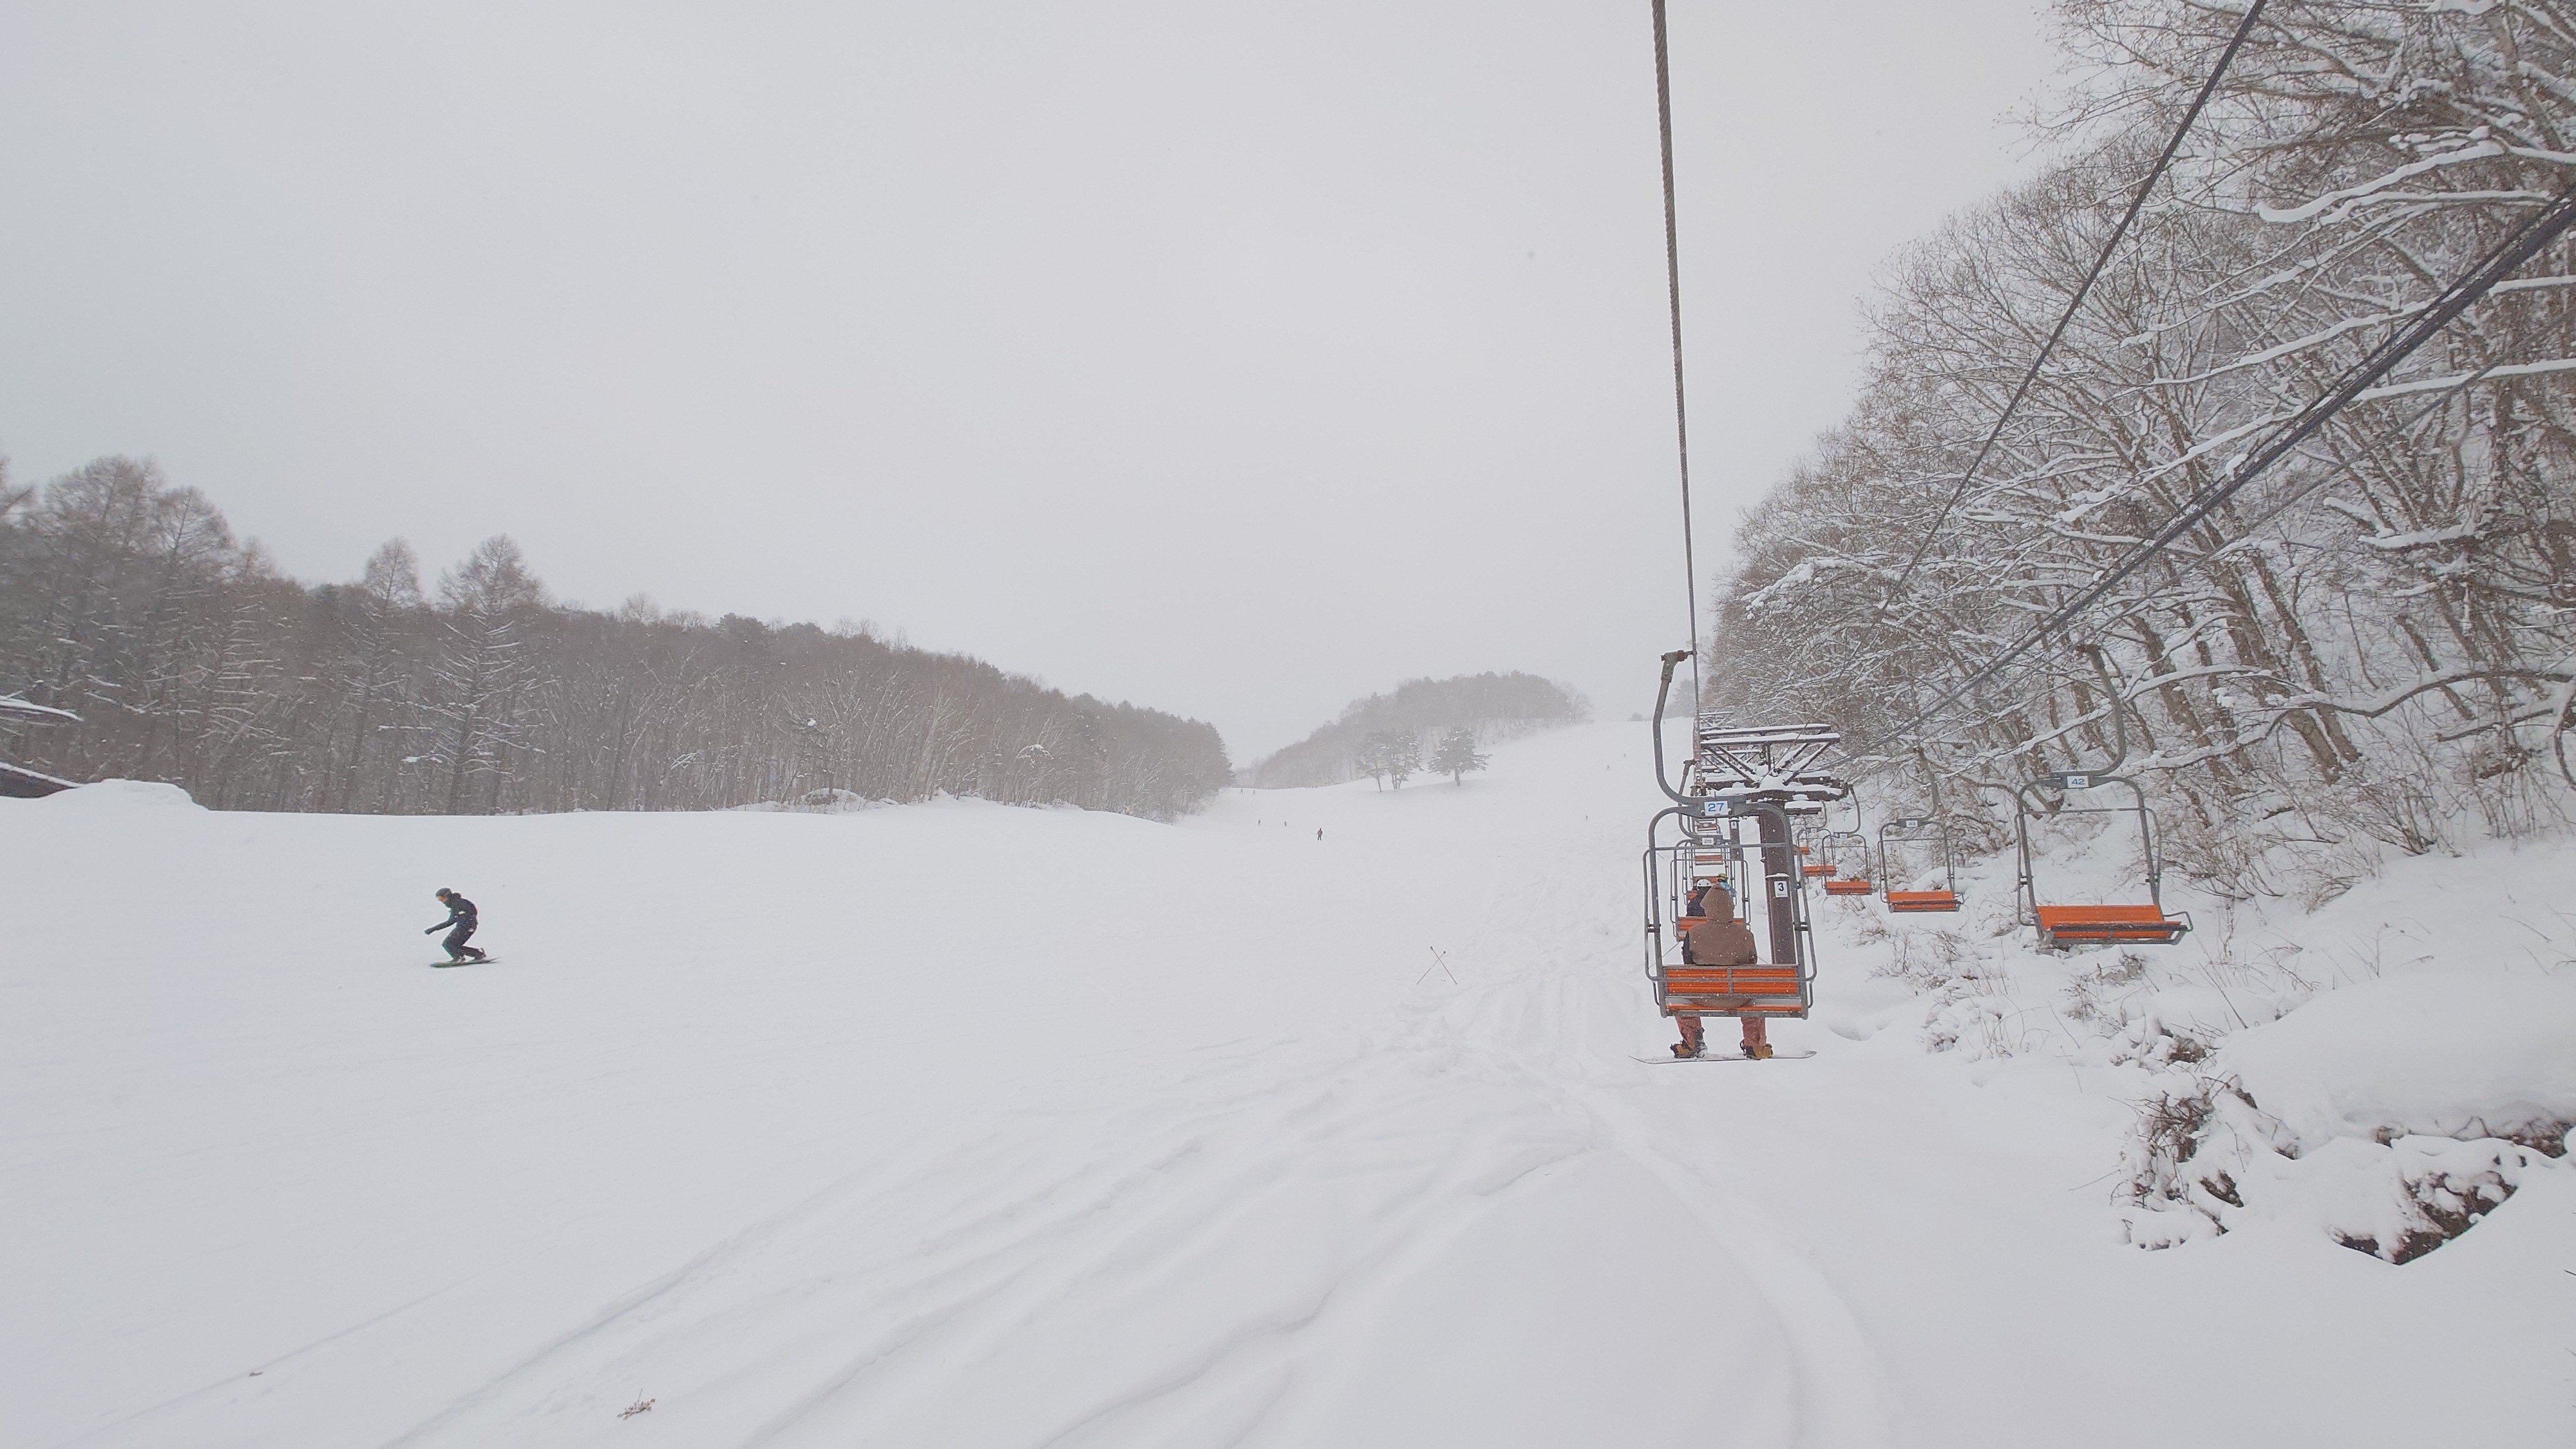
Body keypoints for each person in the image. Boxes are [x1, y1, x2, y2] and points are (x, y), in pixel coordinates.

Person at [1676, 885, 1772, 1059]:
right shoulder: (1745, 934)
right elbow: (1752, 962)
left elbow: (1688, 964)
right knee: (1753, 999)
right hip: (1739, 996)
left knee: (1679, 995)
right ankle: (1754, 1045)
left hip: (1703, 996)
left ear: (1707, 909)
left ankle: (1693, 1041)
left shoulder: (1694, 933)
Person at [424, 887, 488, 963]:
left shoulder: (458, 904)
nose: (442, 901)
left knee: (447, 944)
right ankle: (478, 954)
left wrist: (433, 929)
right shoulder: (458, 903)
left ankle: (458, 958)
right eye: (439, 899)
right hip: (468, 927)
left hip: (465, 927)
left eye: (441, 898)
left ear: (447, 896)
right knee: (455, 945)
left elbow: (451, 921)